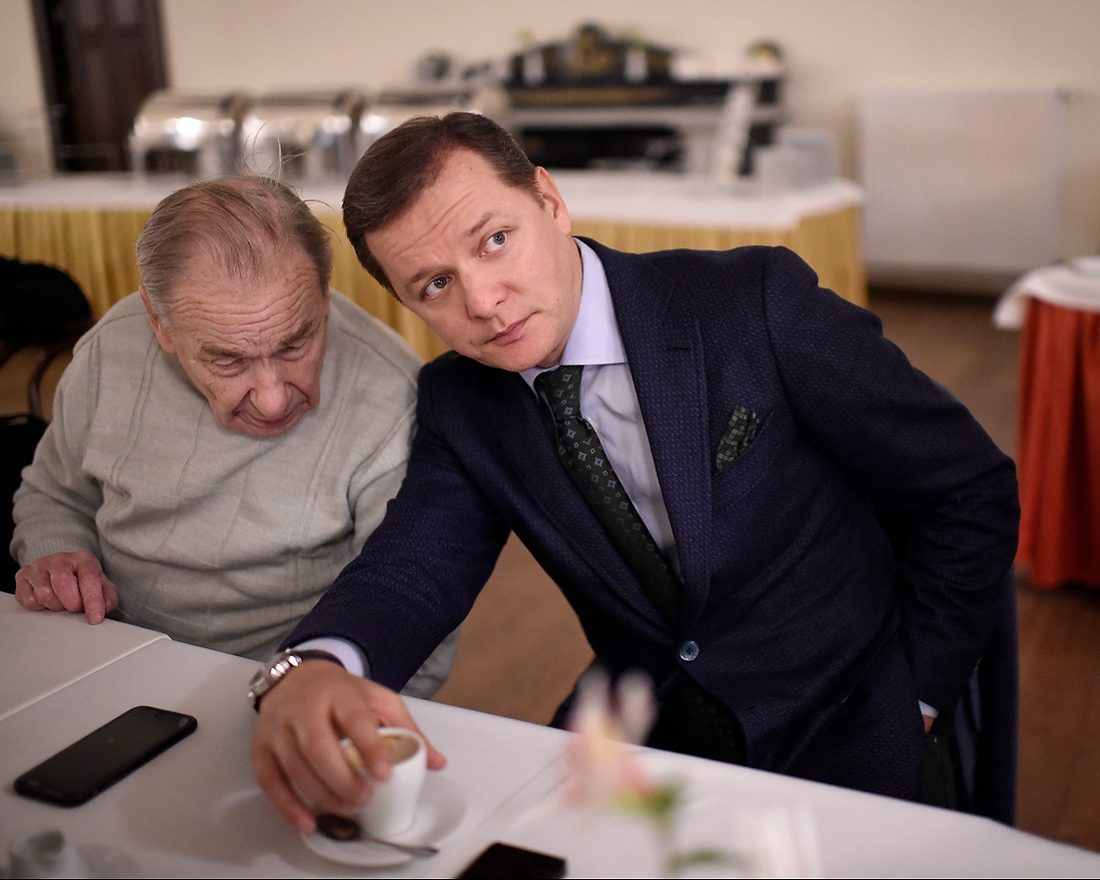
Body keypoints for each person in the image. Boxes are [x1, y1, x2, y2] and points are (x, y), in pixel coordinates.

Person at [249, 113, 1019, 833]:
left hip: (850, 707)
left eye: (495, 241)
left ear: (550, 201)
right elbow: (415, 566)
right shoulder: (461, 399)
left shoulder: (753, 303)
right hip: (650, 722)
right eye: (436, 285)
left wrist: (916, 696)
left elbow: (967, 489)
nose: (484, 302)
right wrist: (316, 666)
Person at [10, 176, 458, 697]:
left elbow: (413, 613)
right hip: (103, 652)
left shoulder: (393, 393)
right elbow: (54, 494)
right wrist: (56, 552)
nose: (272, 399)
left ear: (323, 292)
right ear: (158, 321)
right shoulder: (111, 349)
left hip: (282, 684)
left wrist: (315, 697)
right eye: (228, 359)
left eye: (295, 343)